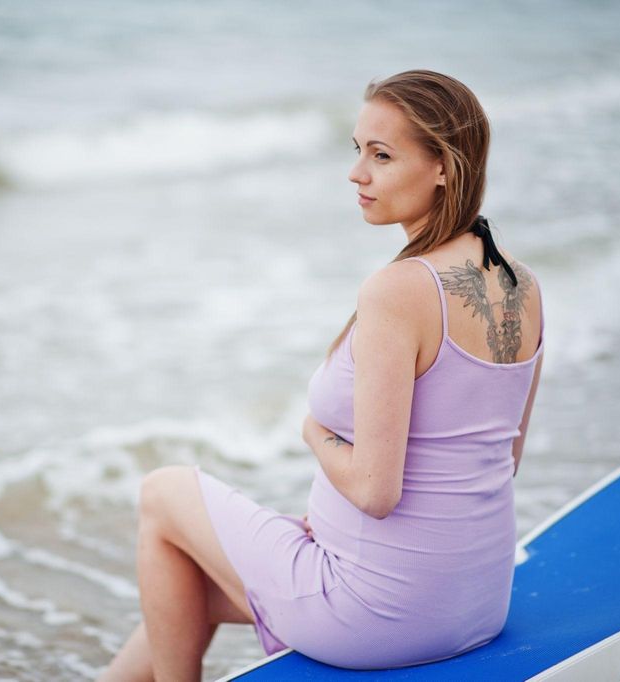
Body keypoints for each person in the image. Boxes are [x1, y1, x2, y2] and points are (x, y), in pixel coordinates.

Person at [97, 69, 544, 680]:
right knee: (180, 592)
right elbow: (502, 457)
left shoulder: (399, 290)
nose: (357, 173)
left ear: (445, 166)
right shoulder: (521, 282)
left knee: (163, 492)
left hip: (379, 616)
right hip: (474, 605)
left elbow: (373, 492)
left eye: (382, 156)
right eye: (357, 150)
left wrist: (313, 431)